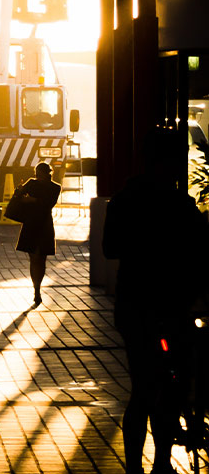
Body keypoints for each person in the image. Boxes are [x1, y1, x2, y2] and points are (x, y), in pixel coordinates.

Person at [102, 128, 208, 474]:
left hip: (134, 304)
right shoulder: (182, 204)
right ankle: (162, 461)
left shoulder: (123, 200)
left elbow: (110, 249)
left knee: (142, 388)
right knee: (170, 388)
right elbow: (200, 254)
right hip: (174, 304)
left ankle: (134, 465)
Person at [14, 162, 61, 306]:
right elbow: (17, 197)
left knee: (40, 259)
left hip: (42, 224)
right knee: (35, 258)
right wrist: (19, 191)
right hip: (34, 224)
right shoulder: (32, 183)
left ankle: (37, 288)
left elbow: (49, 203)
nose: (38, 177)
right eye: (37, 174)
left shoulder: (55, 187)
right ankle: (36, 290)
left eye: (40, 174)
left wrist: (31, 199)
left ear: (47, 174)